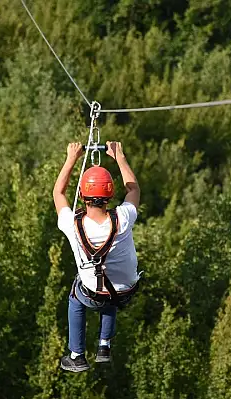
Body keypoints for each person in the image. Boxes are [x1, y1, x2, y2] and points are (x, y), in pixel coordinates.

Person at [52, 141, 141, 373]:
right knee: (109, 289)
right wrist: (119, 157)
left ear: (82, 194)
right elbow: (133, 190)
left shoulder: (72, 224)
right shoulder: (123, 218)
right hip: (125, 292)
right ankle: (104, 345)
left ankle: (77, 355)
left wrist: (72, 158)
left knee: (76, 294)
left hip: (94, 294)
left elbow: (58, 193)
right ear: (110, 194)